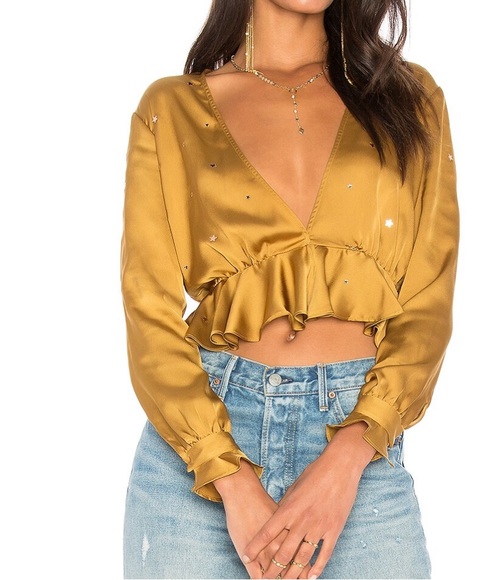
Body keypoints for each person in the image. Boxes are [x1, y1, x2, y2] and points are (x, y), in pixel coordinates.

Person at [121, 0, 458, 578]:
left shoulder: (408, 97)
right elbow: (147, 308)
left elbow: (429, 299)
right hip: (201, 448)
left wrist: (348, 457)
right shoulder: (171, 108)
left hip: (360, 436)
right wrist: (229, 477)